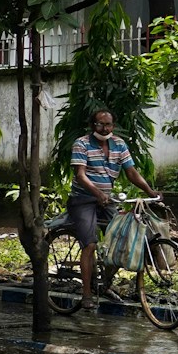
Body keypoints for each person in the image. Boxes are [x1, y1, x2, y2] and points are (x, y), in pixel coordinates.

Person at [69, 110, 157, 309]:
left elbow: (131, 172)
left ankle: (104, 282)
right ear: (93, 125)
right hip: (83, 200)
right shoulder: (81, 144)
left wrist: (150, 191)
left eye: (108, 124)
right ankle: (86, 294)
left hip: (107, 200)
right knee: (90, 245)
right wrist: (97, 193)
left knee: (122, 239)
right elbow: (81, 176)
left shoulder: (119, 144)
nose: (105, 128)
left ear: (113, 125)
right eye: (100, 124)